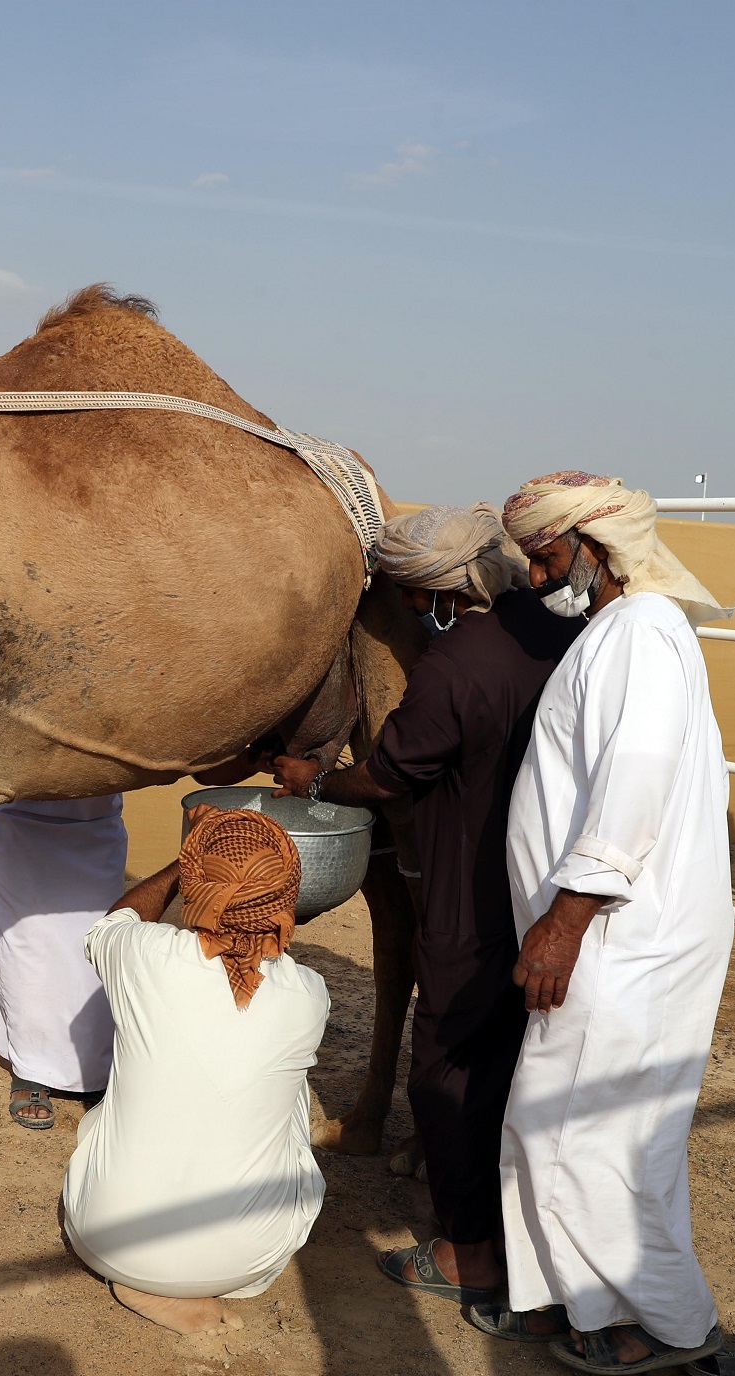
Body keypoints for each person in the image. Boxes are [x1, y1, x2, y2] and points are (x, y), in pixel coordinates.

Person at [269, 503, 581, 1308]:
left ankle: (464, 1249)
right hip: (543, 879)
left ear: (440, 589)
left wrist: (315, 780)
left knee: (444, 1056)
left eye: (412, 594)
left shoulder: (451, 667)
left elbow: (386, 774)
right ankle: (514, 1222)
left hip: (467, 879)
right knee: (515, 1046)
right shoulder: (555, 633)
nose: (409, 610)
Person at [489, 470, 735, 1376]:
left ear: (596, 548)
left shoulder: (640, 630)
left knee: (581, 1129)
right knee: (578, 1126)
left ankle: (661, 1322)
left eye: (547, 555)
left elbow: (634, 778)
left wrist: (565, 917)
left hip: (618, 933)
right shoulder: (622, 631)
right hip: (615, 930)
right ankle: (568, 1300)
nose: (535, 576)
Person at [61, 806, 328, 1335]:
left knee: (119, 1101)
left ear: (196, 884)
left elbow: (115, 921)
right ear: (286, 899)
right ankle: (190, 1273)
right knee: (290, 1090)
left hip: (109, 1242)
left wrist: (185, 858)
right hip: (248, 1259)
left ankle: (150, 1277)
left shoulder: (145, 953)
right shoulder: (309, 993)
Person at [0, 797, 127, 1129]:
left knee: (95, 945)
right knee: (27, 945)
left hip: (94, 814)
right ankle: (33, 1069)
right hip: (11, 813)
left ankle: (97, 1068)